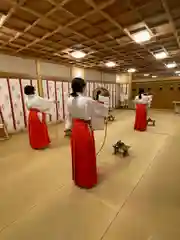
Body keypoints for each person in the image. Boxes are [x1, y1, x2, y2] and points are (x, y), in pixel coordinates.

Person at [66, 77, 108, 189]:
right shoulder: (86, 100)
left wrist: (68, 127)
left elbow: (69, 115)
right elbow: (101, 109)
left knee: (78, 153)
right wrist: (104, 102)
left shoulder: (69, 99)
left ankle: (79, 178)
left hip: (75, 128)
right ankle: (87, 180)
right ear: (83, 87)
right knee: (86, 153)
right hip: (84, 129)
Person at [24, 85, 56, 149]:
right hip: (38, 115)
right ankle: (42, 143)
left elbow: (28, 108)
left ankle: (35, 144)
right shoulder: (37, 98)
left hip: (31, 115)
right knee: (40, 129)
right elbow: (45, 102)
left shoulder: (26, 99)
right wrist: (52, 101)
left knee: (33, 130)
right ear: (33, 90)